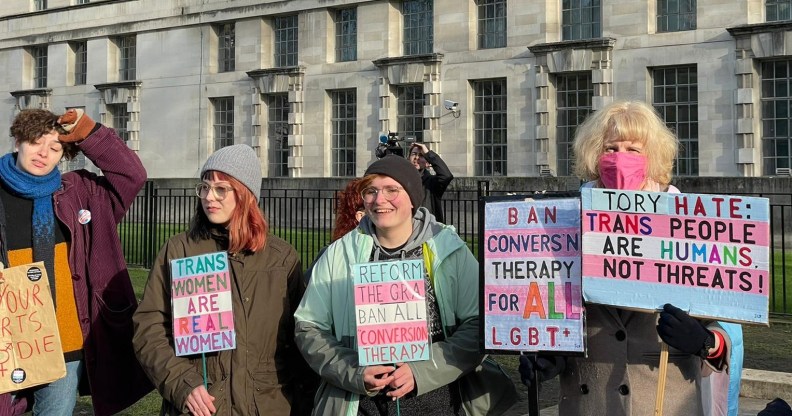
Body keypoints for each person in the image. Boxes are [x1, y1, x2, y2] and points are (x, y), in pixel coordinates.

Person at [520, 100, 738, 415]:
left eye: (633, 150)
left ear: (652, 156)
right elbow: (548, 302)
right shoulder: (566, 221)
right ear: (595, 155)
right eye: (611, 148)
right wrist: (551, 355)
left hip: (666, 399)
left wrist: (705, 341)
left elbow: (723, 331)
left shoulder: (686, 222)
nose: (620, 159)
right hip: (589, 399)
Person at [294, 155, 516, 416]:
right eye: (371, 191)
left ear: (412, 197)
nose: (380, 200)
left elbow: (480, 324)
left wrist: (422, 371)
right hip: (360, 405)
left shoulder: (448, 250)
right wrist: (354, 371)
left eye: (391, 190)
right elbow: (309, 327)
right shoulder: (339, 254)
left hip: (438, 402)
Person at [132, 144, 316, 416]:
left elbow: (301, 339)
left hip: (267, 404)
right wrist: (183, 384)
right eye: (205, 187)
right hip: (202, 405)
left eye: (221, 189)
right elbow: (149, 329)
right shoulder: (180, 251)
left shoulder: (282, 258)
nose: (209, 197)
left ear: (245, 195)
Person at [0, 109, 152, 415]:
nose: (43, 153)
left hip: (63, 344)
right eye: (35, 141)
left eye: (55, 147)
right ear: (18, 141)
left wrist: (88, 131)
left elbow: (132, 176)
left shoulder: (82, 193)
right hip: (7, 340)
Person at [408, 142, 453, 223]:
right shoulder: (402, 181)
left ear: (428, 163)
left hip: (428, 228)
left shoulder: (432, 183)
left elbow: (446, 176)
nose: (416, 158)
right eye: (414, 154)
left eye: (421, 155)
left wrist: (428, 154)